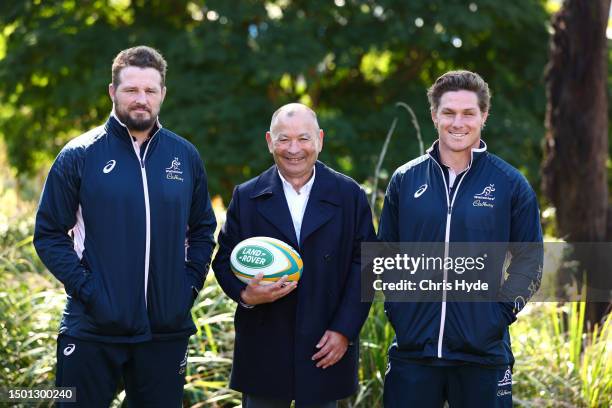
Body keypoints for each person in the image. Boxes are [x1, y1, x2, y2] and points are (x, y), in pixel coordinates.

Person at [33, 46, 216, 407]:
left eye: (150, 90)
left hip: (165, 331)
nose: (141, 99)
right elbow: (49, 234)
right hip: (92, 329)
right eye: (131, 90)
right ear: (112, 92)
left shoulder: (185, 156)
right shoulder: (80, 155)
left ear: (163, 93)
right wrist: (91, 292)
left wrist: (186, 290)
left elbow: (202, 231)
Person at [378, 70, 543, 407]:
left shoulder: (510, 183)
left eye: (468, 113)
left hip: (482, 356)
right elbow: (385, 254)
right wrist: (400, 310)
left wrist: (498, 315)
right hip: (414, 353)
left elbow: (531, 258)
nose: (458, 122)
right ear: (435, 115)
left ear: (483, 116)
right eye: (449, 112)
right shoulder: (405, 180)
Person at [212, 103, 375, 407]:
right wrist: (246, 295)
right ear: (269, 142)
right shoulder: (246, 196)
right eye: (283, 139)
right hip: (264, 346)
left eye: (303, 138)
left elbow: (367, 265)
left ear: (320, 140)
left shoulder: (349, 194)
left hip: (325, 345)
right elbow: (223, 261)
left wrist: (344, 330)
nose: (294, 149)